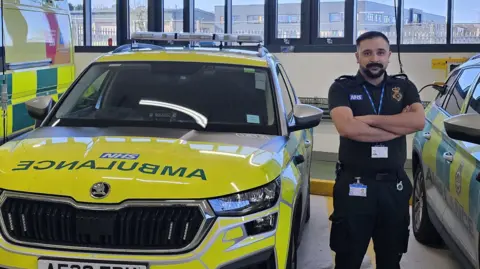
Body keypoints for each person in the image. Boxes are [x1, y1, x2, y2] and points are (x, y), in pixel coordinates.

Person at [327, 31, 425, 269]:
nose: (374, 58)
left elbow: (418, 122)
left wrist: (368, 119)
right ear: (357, 56)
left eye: (380, 52)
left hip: (394, 188)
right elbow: (348, 128)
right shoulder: (341, 88)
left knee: (391, 260)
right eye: (367, 53)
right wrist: (397, 127)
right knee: (348, 259)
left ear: (389, 56)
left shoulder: (404, 87)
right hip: (355, 187)